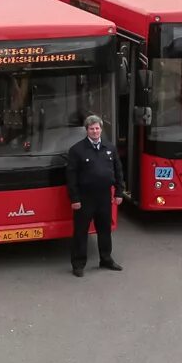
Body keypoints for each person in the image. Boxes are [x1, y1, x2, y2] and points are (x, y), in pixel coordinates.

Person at [66, 115, 124, 275]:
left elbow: (118, 171)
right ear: (86, 130)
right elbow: (71, 177)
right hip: (85, 198)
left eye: (97, 128)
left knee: (105, 230)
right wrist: (74, 198)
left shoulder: (110, 148)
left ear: (101, 129)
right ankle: (78, 264)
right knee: (80, 232)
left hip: (105, 196)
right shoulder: (77, 150)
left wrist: (119, 192)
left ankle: (106, 259)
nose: (95, 131)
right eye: (91, 128)